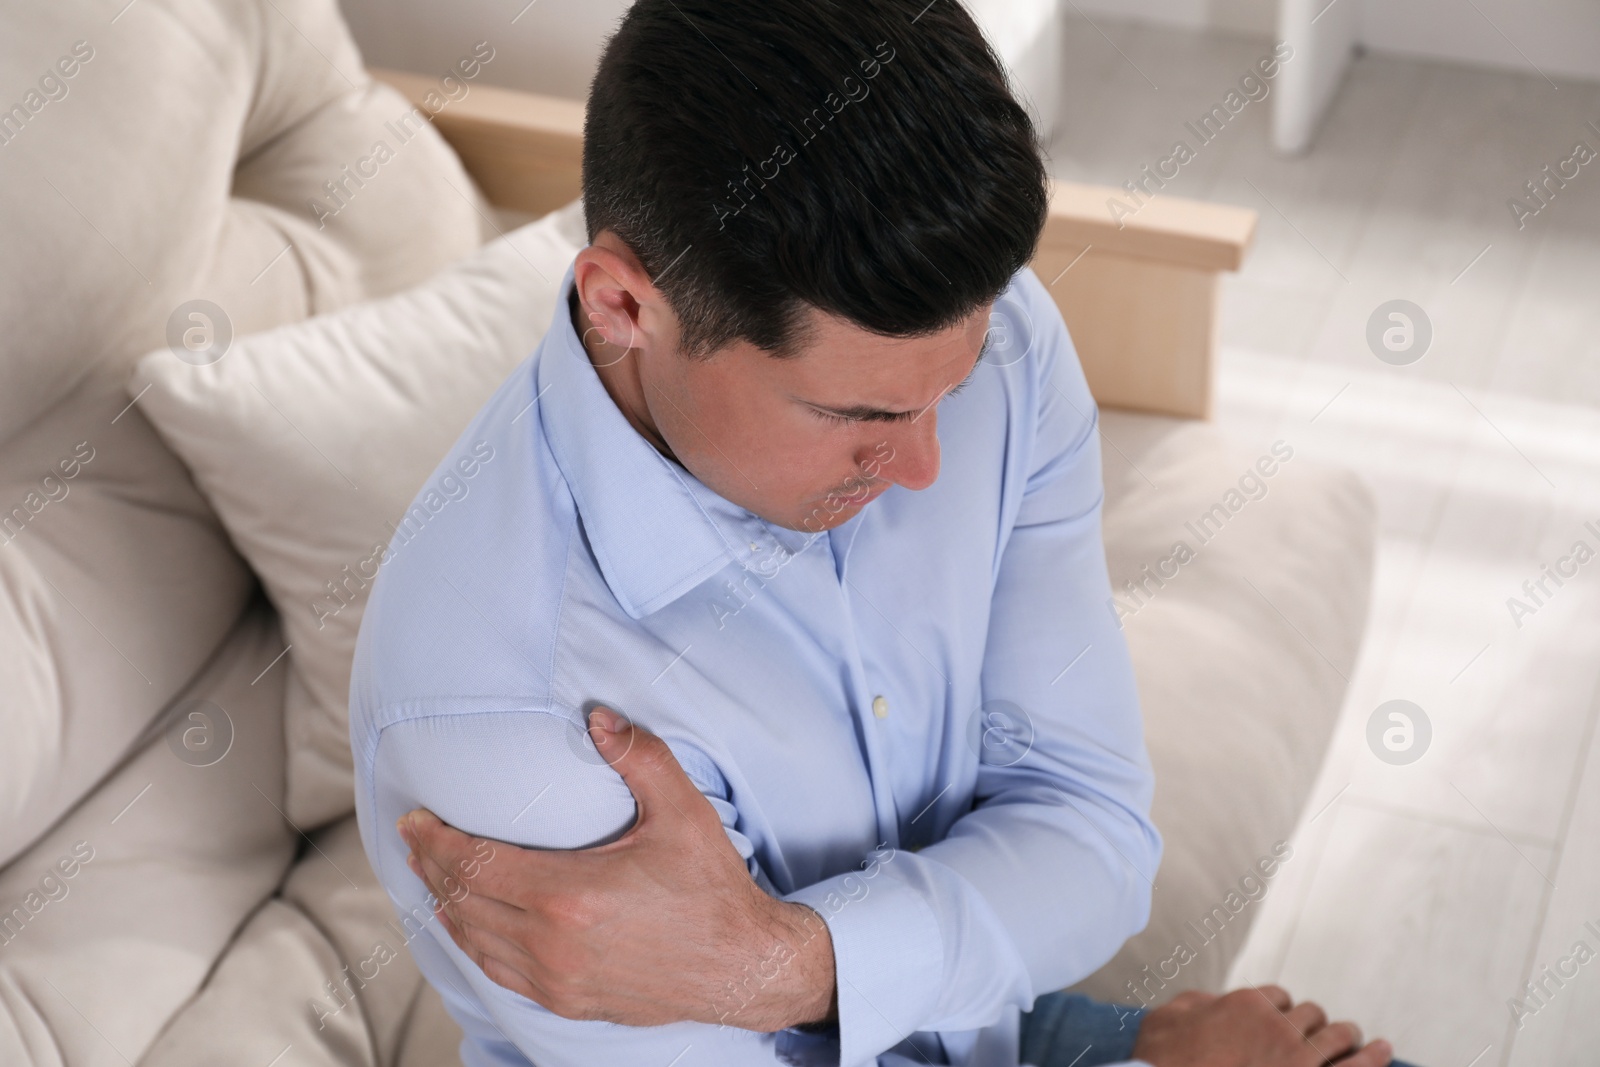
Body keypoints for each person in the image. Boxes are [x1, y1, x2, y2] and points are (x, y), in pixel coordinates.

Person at [350, 2, 1413, 1064]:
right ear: (623, 306)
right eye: (856, 416)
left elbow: (1092, 838)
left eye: (944, 389)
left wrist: (787, 961)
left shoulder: (983, 338)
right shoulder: (499, 709)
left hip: (972, 1012)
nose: (925, 468)